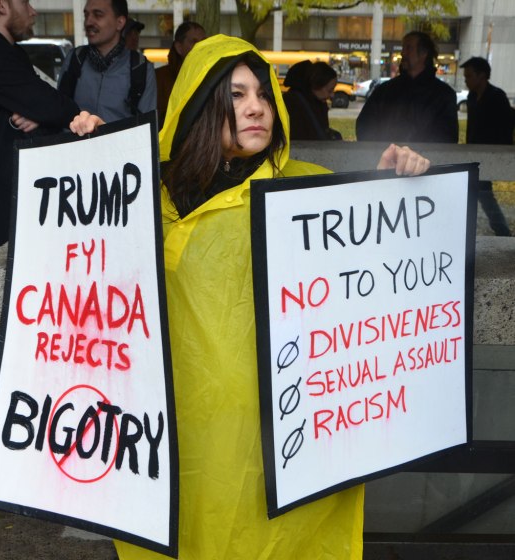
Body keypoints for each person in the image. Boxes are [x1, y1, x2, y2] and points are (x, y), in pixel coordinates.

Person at [70, 34, 429, 559]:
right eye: (235, 95)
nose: (257, 106)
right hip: (175, 438)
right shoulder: (143, 192)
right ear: (199, 102)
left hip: (277, 444)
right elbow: (90, 266)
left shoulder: (308, 192)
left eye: (262, 93)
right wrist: (93, 162)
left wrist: (392, 186)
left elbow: (364, 272)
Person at [0, 0, 81, 385]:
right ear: (1, 4)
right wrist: (43, 113)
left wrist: (39, 117)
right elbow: (61, 107)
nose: (34, 11)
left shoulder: (2, 53)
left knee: (15, 332)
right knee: (3, 335)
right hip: (6, 228)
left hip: (17, 223)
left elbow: (52, 111)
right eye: (25, 1)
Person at [58, 0, 156, 123]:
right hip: (75, 141)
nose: (88, 22)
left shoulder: (140, 68)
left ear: (119, 23)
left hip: (121, 142)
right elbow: (58, 112)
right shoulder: (74, 59)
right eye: (86, 15)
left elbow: (145, 130)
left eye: (98, 15)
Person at [356, 31, 458, 143]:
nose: (403, 53)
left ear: (423, 53)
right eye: (403, 48)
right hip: (388, 158)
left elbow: (447, 139)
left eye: (408, 48)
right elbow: (364, 126)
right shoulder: (384, 91)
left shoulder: (443, 95)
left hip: (425, 160)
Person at [460, 56, 512, 236]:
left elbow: (505, 127)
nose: (466, 81)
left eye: (468, 76)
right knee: (479, 195)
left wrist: (499, 155)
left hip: (492, 155)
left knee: (483, 195)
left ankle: (502, 231)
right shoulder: (472, 97)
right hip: (474, 155)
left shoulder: (497, 97)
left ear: (481, 76)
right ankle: (499, 231)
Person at [155, 21, 206, 127]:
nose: (201, 46)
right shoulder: (160, 78)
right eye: (194, 42)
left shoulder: (212, 76)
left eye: (204, 42)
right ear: (179, 47)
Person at [283, 60, 342, 140]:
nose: (332, 95)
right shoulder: (293, 104)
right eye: (330, 90)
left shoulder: (317, 102)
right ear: (316, 85)